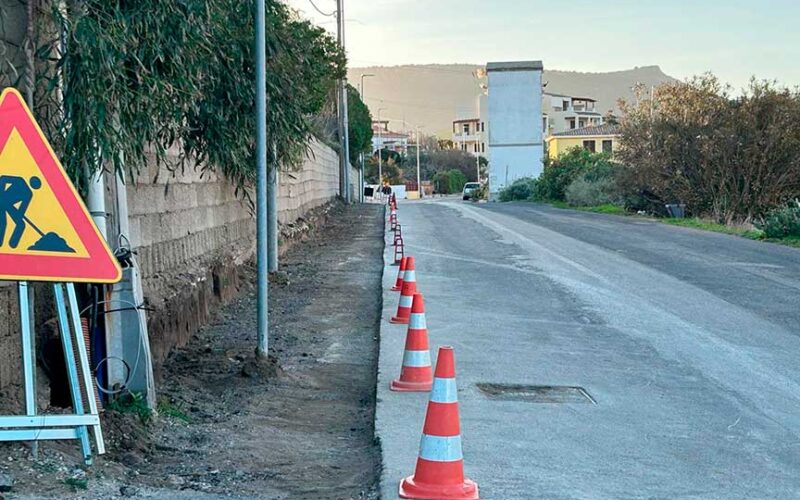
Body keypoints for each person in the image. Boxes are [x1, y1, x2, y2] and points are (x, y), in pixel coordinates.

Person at [0, 175, 41, 249]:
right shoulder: (20, 181)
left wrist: (18, 215)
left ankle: (13, 244)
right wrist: (1, 193)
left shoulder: (29, 194)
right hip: (1, 200)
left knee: (21, 224)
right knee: (3, 222)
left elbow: (22, 209)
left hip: (9, 205)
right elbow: (3, 178)